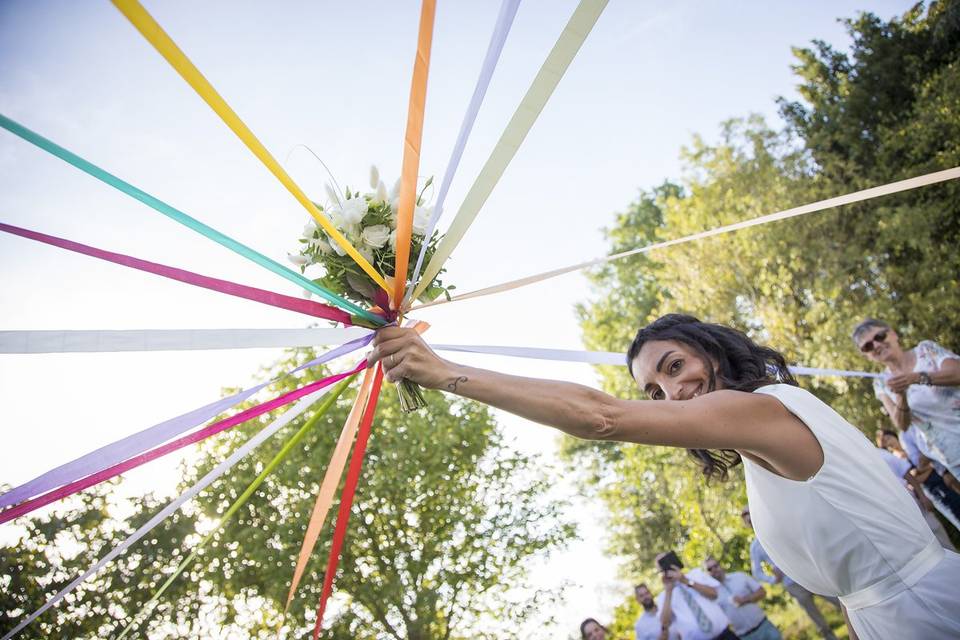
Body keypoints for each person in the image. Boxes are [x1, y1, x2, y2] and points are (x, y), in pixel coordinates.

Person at [370, 314, 960, 639]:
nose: (672, 394)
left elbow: (602, 416)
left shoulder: (764, 406)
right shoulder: (758, 433)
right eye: (654, 391)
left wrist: (443, 371)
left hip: (928, 612)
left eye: (675, 367)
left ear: (714, 352)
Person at [853, 318, 960, 482]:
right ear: (867, 356)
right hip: (951, 452)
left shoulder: (926, 349)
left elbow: (956, 374)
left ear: (893, 334)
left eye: (880, 336)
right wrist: (901, 396)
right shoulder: (881, 383)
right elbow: (902, 424)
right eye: (867, 346)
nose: (876, 345)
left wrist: (917, 378)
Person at [742, 507, 840, 640]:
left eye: (749, 513)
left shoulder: (777, 528)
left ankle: (859, 626)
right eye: (745, 517)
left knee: (838, 599)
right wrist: (773, 580)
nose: (749, 518)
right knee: (817, 618)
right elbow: (757, 573)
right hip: (792, 584)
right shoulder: (755, 547)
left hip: (807, 573)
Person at [874, 441, 956, 550]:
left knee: (936, 530)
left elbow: (907, 475)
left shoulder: (880, 454)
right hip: (892, 512)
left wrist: (922, 496)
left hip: (910, 500)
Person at [876, 428, 960, 531]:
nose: (890, 443)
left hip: (944, 477)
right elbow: (915, 478)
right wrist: (926, 469)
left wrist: (921, 469)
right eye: (886, 443)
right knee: (955, 513)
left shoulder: (910, 445)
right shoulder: (896, 459)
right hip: (933, 489)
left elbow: (929, 460)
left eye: (889, 438)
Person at [689, 556, 781, 640]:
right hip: (745, 637)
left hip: (764, 626)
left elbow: (762, 592)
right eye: (709, 569)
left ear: (721, 566)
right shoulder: (711, 594)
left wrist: (745, 600)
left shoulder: (740, 576)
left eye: (715, 566)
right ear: (706, 573)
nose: (714, 570)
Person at [654, 552, 737, 640]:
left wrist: (685, 580)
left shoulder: (696, 574)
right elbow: (665, 623)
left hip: (725, 635)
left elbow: (714, 594)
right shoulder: (663, 596)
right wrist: (668, 591)